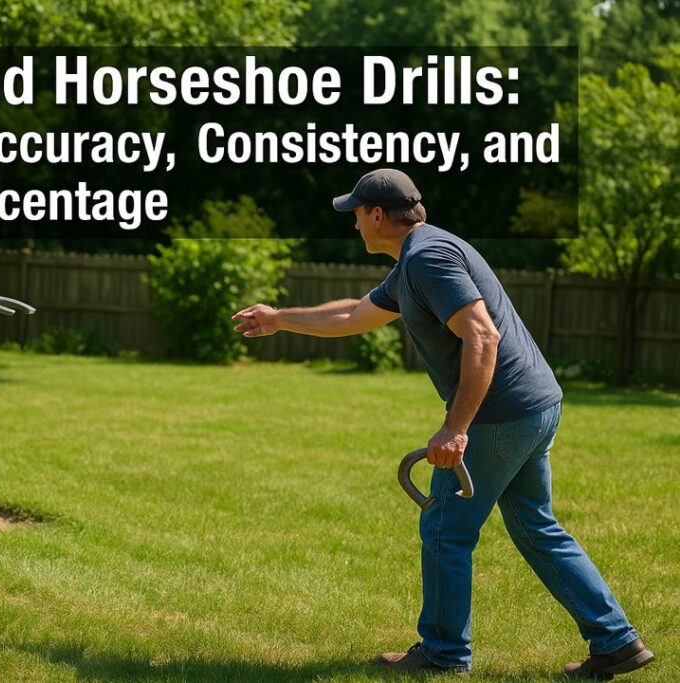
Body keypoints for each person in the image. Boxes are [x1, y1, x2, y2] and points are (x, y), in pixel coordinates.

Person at [231, 169, 654, 678]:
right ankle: (616, 640)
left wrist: (456, 428)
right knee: (537, 527)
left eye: (358, 214)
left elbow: (482, 337)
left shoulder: (428, 259)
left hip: (500, 415)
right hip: (534, 406)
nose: (354, 224)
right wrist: (279, 318)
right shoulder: (419, 256)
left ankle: (443, 653)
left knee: (444, 530)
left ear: (379, 216)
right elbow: (353, 315)